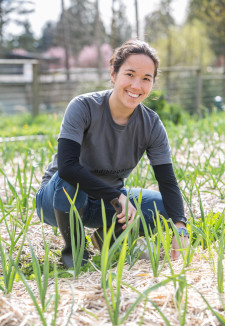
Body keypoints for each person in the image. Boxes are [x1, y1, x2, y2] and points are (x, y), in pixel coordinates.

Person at [36, 39, 189, 269]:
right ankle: (74, 255)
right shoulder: (83, 107)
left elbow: (167, 182)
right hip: (58, 199)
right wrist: (116, 196)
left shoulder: (152, 125)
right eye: (130, 74)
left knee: (165, 206)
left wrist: (180, 226)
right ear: (113, 73)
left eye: (146, 78)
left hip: (107, 202)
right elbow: (67, 167)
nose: (137, 86)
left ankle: (107, 238)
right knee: (70, 182)